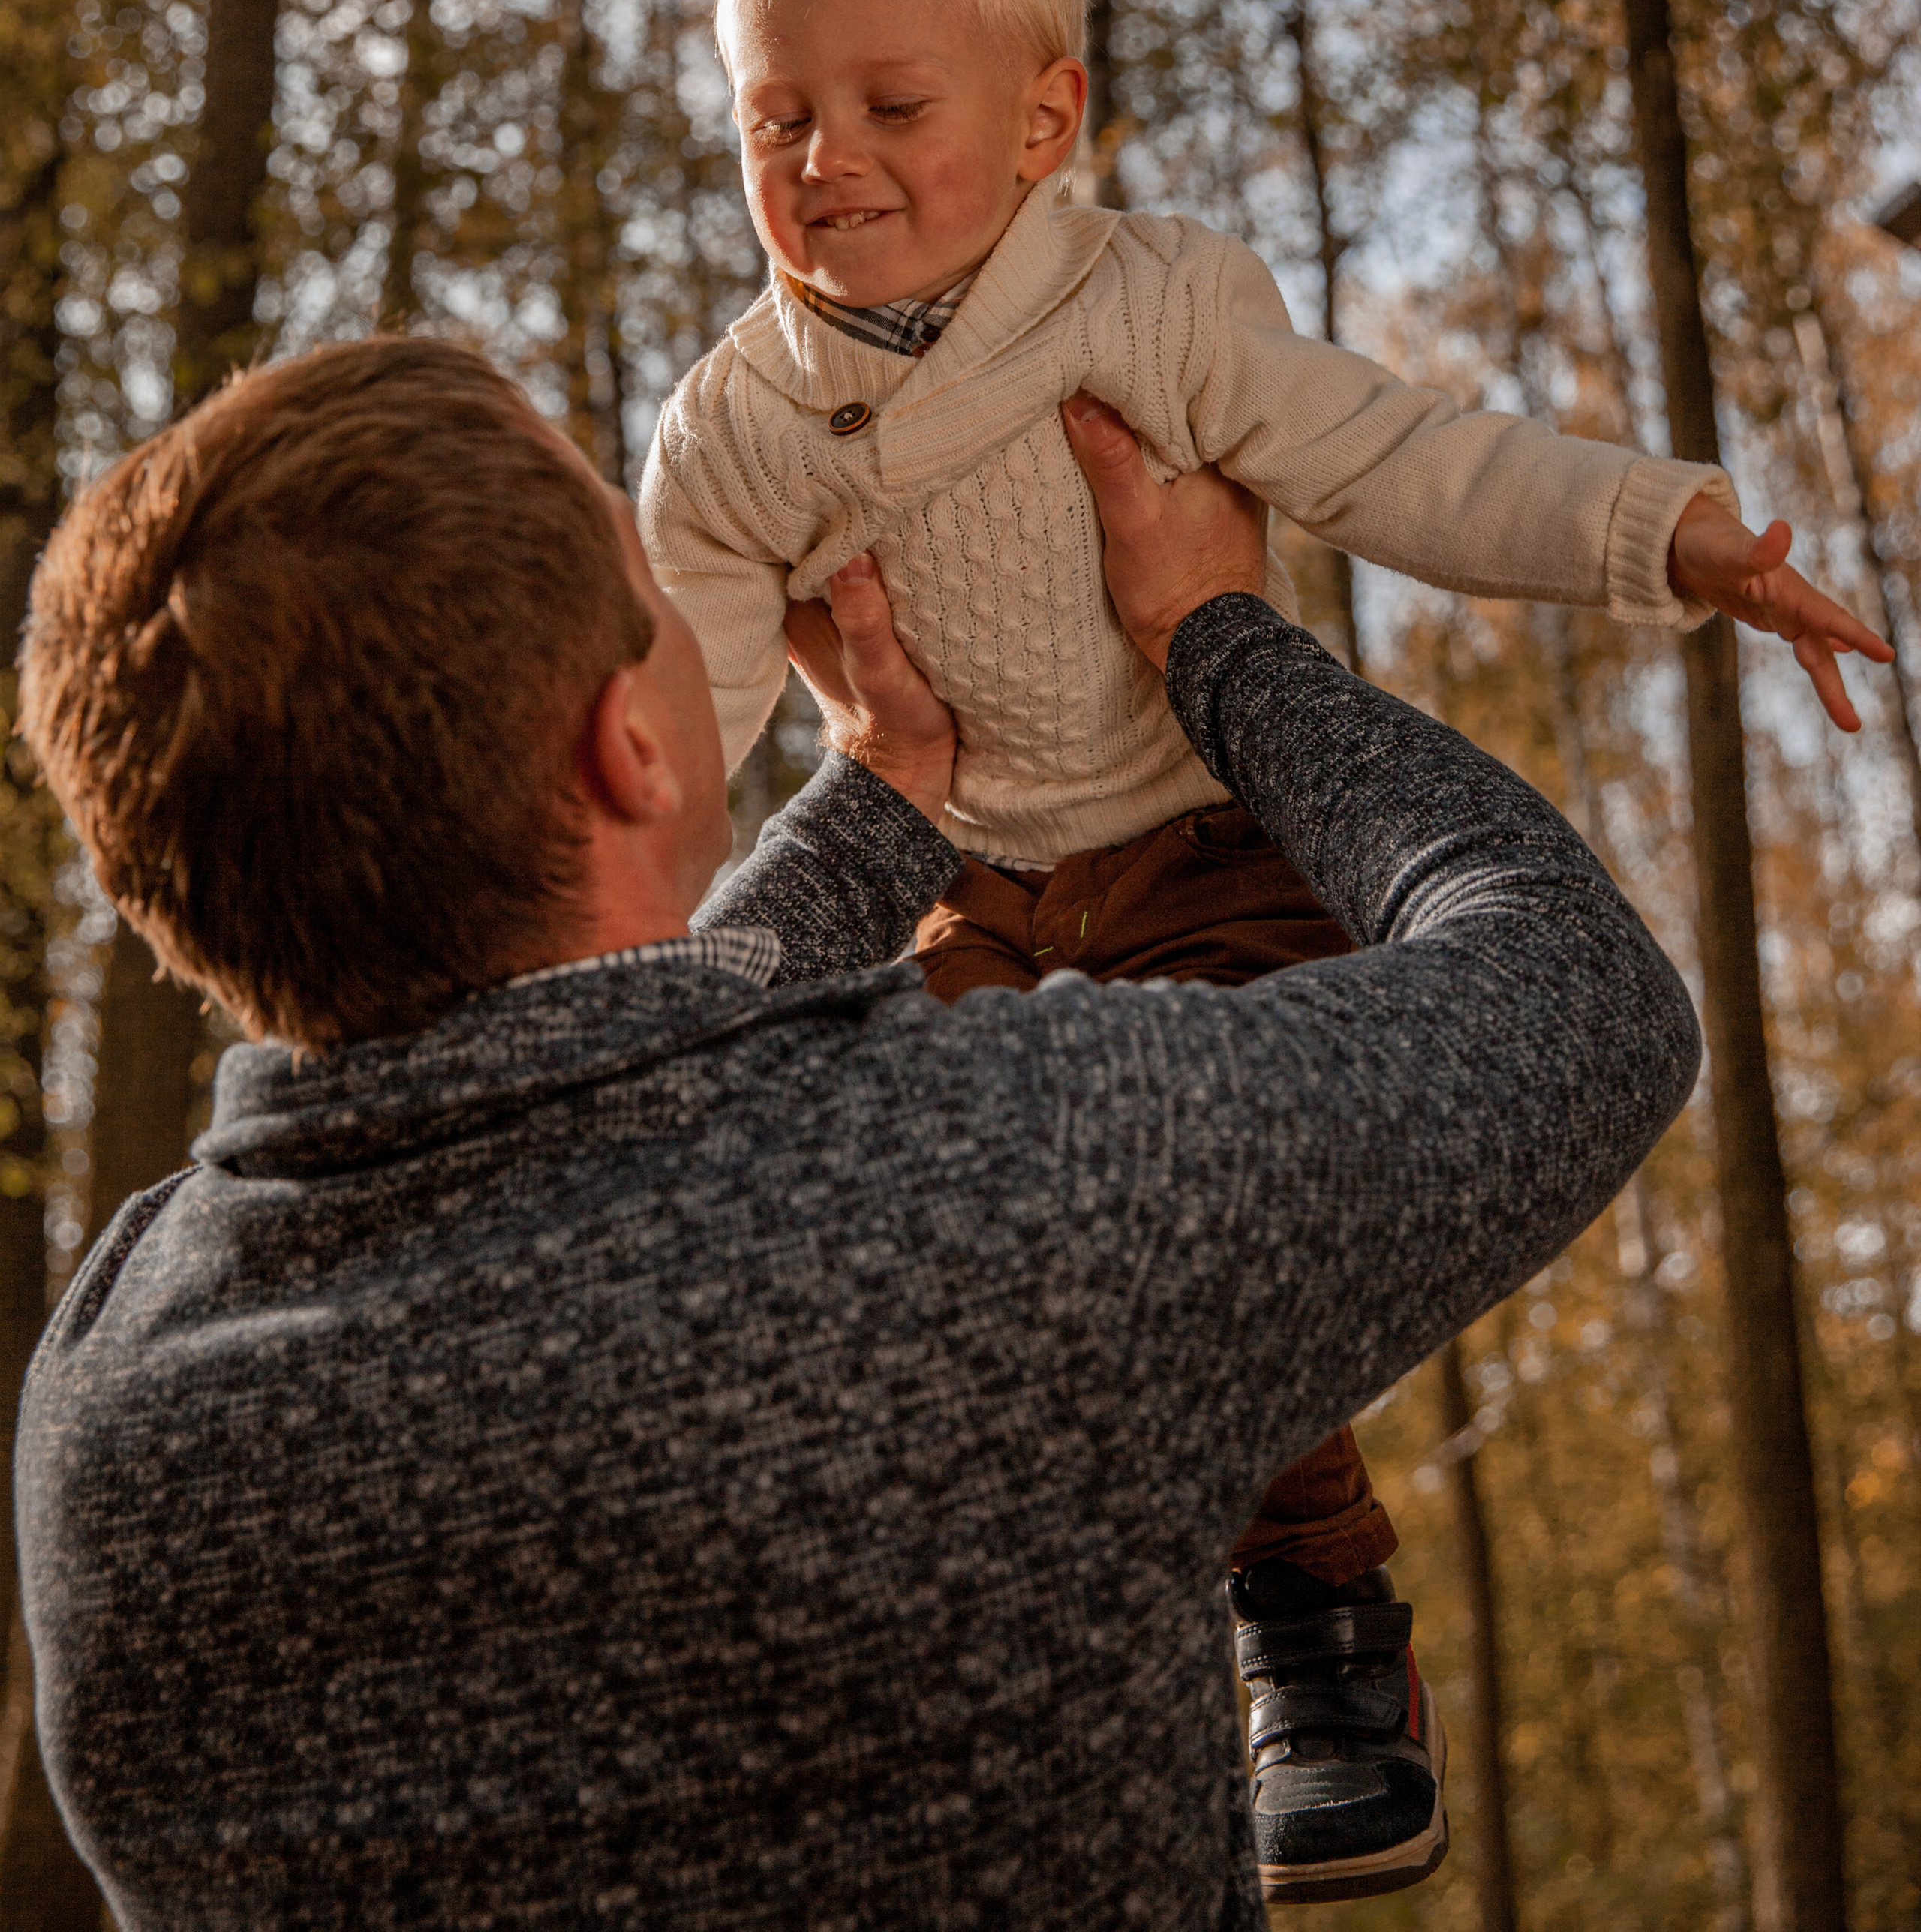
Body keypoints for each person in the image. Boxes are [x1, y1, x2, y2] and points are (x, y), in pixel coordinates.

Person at [15, 335, 1698, 1930]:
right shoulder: (997, 1192)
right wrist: (1217, 633)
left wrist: (888, 792)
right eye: (650, 590)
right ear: (629, 745)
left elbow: (587, 1068)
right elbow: (1572, 988)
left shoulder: (110, 1399)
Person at [638, 0, 1890, 1895]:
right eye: (776, 118)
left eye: (889, 107)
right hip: (966, 889)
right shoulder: (740, 426)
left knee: (1198, 1225)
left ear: (1047, 121)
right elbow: (665, 715)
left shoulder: (1157, 307)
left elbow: (1403, 456)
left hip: (1208, 849)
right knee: (909, 1227)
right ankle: (993, 1652)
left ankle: (1311, 1613)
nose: (823, 159)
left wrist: (1671, 536)